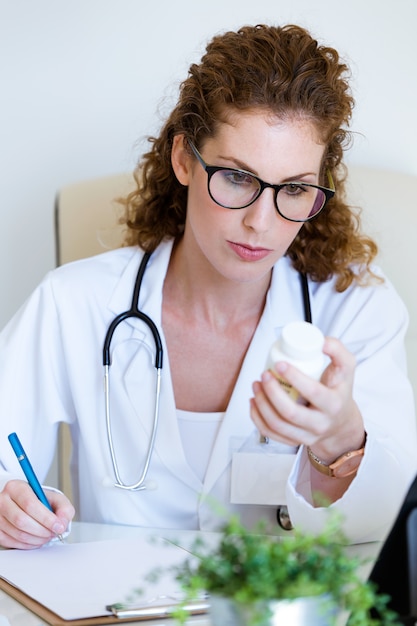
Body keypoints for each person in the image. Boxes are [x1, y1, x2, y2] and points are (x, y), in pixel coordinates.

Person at [0, 24, 416, 550]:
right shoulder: (73, 302)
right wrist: (8, 506)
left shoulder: (356, 309)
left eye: (293, 189)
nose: (260, 223)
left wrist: (339, 437)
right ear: (182, 159)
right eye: (238, 178)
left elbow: (390, 523)